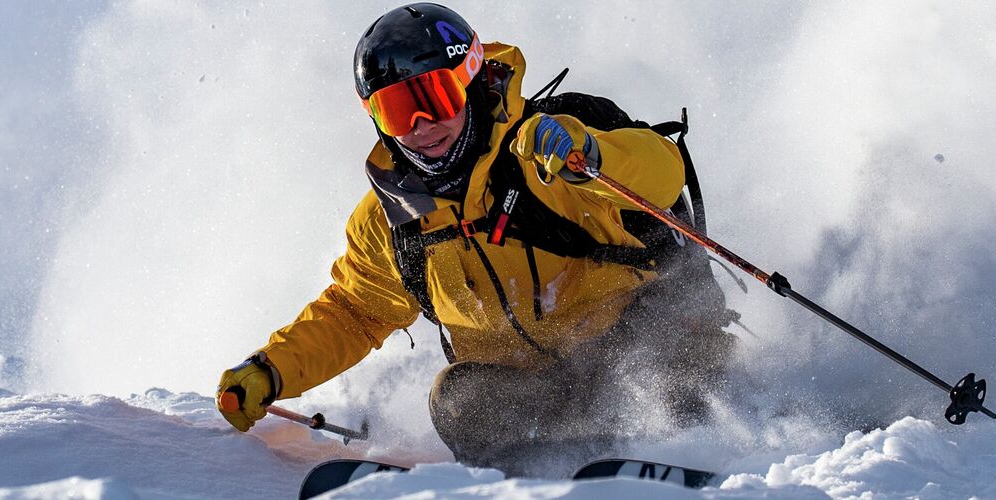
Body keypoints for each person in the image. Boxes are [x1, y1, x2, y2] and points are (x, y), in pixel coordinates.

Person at [214, 2, 736, 476]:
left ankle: (698, 447)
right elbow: (355, 313)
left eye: (434, 98)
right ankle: (537, 478)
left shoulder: (547, 148)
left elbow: (662, 173)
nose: (422, 126)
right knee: (458, 401)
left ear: (468, 81)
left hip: (649, 343)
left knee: (657, 369)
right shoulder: (394, 220)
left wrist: (592, 157)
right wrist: (271, 371)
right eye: (398, 111)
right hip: (543, 395)